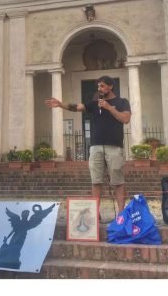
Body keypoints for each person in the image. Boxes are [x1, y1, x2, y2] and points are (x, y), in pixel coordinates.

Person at [45, 76, 131, 218]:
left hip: (114, 147)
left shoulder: (122, 102)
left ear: (110, 86)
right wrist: (61, 104)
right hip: (96, 147)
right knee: (96, 181)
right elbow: (77, 107)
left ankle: (121, 214)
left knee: (118, 181)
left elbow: (125, 119)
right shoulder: (94, 103)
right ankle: (95, 214)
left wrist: (109, 108)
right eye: (98, 86)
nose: (99, 89)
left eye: (102, 86)